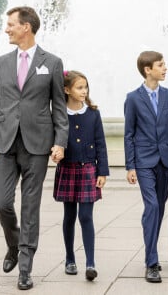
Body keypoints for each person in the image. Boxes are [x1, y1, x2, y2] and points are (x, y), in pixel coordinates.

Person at [0, 6, 69, 291]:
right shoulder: (0, 63)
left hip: (38, 144)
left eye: (10, 24)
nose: (6, 28)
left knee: (30, 207)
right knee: (2, 202)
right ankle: (14, 244)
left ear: (26, 27)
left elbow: (59, 107)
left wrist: (60, 141)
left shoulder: (52, 63)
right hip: (4, 143)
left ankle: (26, 269)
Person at [124, 50, 168, 283]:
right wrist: (130, 166)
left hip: (166, 162)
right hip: (144, 162)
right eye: (161, 65)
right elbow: (128, 134)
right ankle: (152, 263)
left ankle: (150, 250)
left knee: (157, 208)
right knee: (152, 207)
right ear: (148, 69)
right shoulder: (133, 98)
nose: (165, 68)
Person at [53, 70, 109, 281]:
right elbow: (54, 138)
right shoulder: (58, 114)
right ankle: (69, 259)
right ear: (67, 90)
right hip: (67, 168)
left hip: (88, 170)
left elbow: (101, 143)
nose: (84, 91)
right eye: (79, 87)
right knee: (69, 216)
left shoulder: (93, 113)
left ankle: (90, 263)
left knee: (86, 216)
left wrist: (102, 171)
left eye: (85, 87)